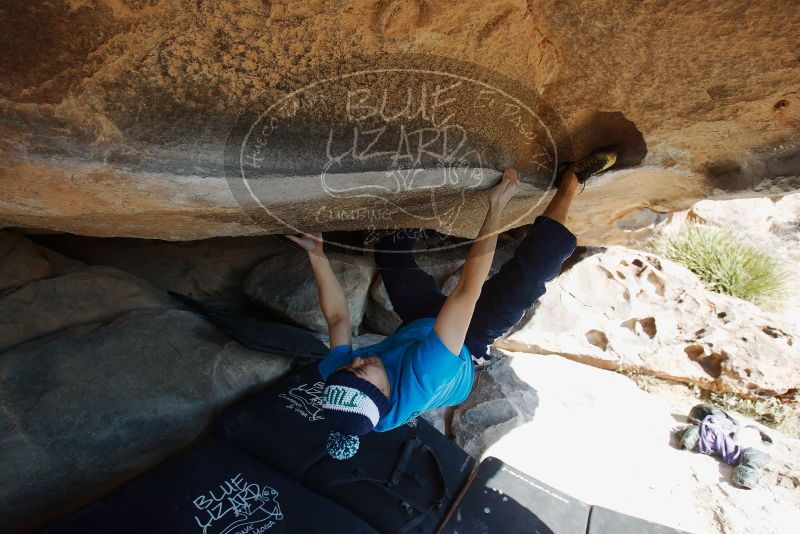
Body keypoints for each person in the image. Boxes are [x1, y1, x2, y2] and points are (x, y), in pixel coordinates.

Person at [288, 149, 617, 460]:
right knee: (533, 272)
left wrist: (316, 255)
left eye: (348, 367)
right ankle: (571, 181)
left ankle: (439, 210)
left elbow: (336, 318)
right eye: (361, 372)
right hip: (465, 343)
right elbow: (466, 292)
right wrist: (496, 209)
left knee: (391, 253)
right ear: (384, 395)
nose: (357, 361)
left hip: (419, 327)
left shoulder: (343, 382)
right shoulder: (424, 376)